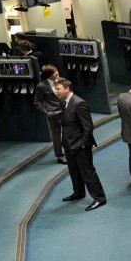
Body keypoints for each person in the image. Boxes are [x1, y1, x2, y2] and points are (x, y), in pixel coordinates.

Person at [53, 79, 106, 211]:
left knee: (88, 173)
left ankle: (99, 198)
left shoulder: (79, 103)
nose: (55, 91)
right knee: (74, 171)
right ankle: (78, 192)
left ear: (67, 89)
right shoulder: (63, 102)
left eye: (58, 88)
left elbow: (88, 127)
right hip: (68, 144)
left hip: (79, 145)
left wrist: (82, 145)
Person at [33, 64, 66, 164]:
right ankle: (60, 155)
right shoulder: (42, 86)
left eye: (57, 70)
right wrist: (46, 112)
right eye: (54, 72)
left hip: (66, 110)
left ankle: (70, 151)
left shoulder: (63, 80)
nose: (57, 73)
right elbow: (37, 101)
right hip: (54, 114)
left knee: (70, 132)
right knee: (56, 136)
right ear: (48, 75)